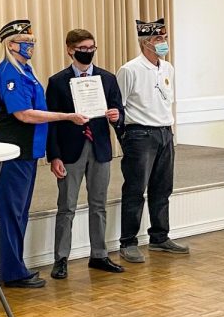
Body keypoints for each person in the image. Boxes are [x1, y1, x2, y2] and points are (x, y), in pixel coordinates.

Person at [0, 20, 88, 288]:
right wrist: (67, 116)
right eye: (25, 41)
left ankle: (13, 267)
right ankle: (12, 271)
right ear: (11, 44)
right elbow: (24, 114)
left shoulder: (24, 70)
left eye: (32, 41)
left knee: (20, 211)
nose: (30, 45)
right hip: (10, 149)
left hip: (26, 150)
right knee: (12, 211)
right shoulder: (10, 72)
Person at [46, 29, 126, 279]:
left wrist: (117, 116)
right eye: (83, 48)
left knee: (99, 204)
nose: (88, 51)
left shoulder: (107, 78)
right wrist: (54, 156)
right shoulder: (57, 81)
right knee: (66, 206)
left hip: (100, 148)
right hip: (70, 151)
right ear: (70, 49)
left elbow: (118, 113)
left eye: (92, 47)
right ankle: (60, 259)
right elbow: (51, 123)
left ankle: (99, 255)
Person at [116, 18, 189, 263]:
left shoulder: (168, 68)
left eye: (164, 38)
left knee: (162, 187)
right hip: (140, 134)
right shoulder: (129, 70)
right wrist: (125, 137)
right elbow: (118, 107)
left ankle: (159, 236)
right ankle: (128, 242)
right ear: (146, 43)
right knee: (136, 189)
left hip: (165, 132)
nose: (163, 43)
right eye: (159, 39)